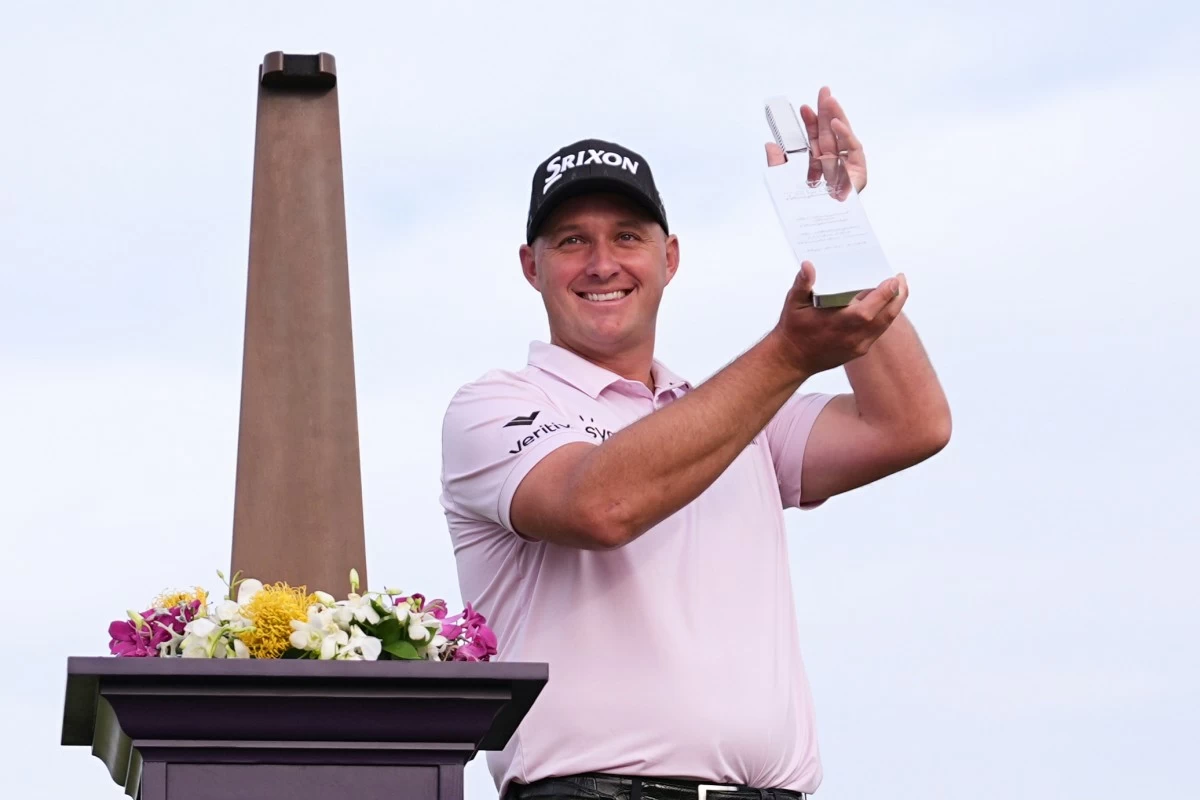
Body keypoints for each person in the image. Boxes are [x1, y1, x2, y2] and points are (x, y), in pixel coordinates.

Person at [439, 87, 951, 800]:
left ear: (669, 257)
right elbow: (600, 505)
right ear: (531, 266)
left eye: (627, 236)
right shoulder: (495, 406)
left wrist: (834, 231)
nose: (601, 262)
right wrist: (786, 355)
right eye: (571, 240)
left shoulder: (747, 421)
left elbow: (909, 425)